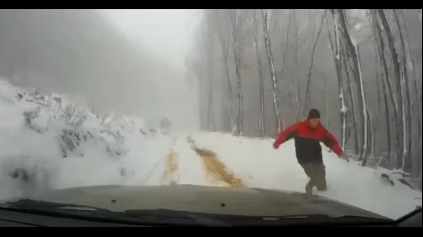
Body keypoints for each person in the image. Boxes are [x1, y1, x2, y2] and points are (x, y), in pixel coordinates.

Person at [273, 109, 346, 196]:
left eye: (318, 121)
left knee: (322, 185)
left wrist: (340, 152)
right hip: (304, 159)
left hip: (317, 158)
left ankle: (323, 193)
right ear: (309, 119)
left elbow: (331, 141)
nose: (316, 123)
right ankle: (309, 188)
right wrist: (277, 143)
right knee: (314, 176)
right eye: (314, 120)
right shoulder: (299, 127)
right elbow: (285, 134)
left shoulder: (321, 130)